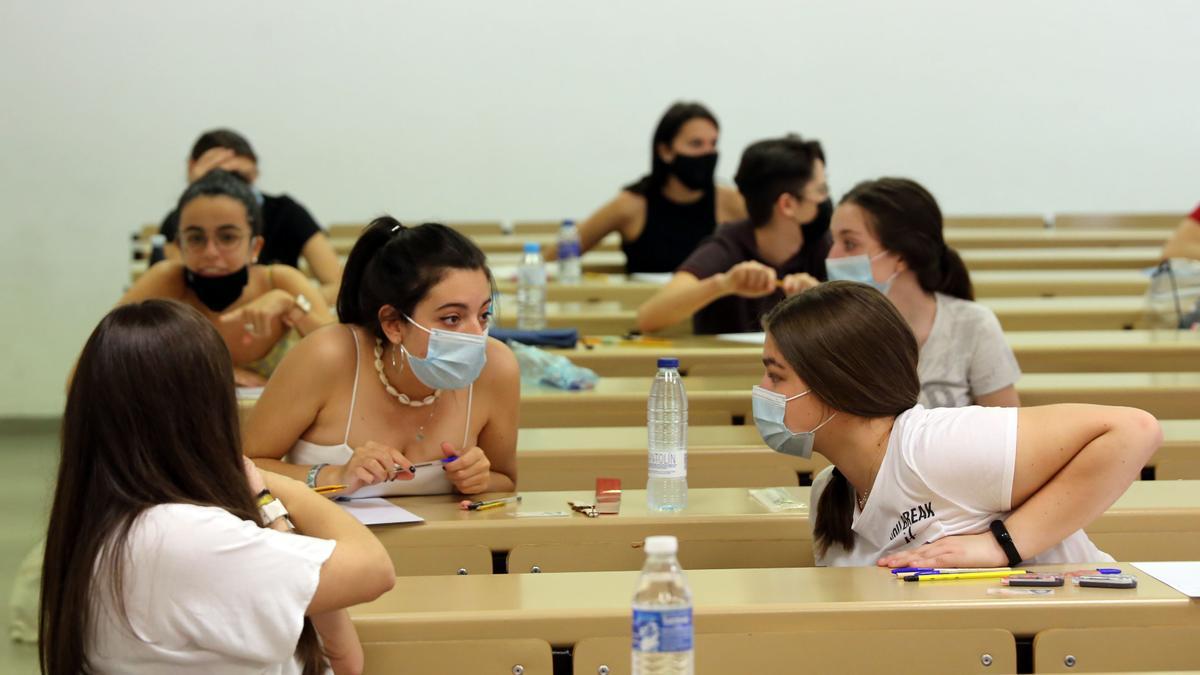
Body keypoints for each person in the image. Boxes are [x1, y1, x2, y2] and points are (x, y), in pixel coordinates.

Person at [40, 300, 395, 675]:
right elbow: (374, 569)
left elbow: (342, 659)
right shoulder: (179, 535)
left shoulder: (112, 520)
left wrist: (268, 504)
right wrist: (272, 483)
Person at [752, 282, 1160, 568]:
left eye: (775, 375)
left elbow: (1132, 431)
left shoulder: (931, 445)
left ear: (836, 382)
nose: (761, 390)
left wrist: (1001, 546)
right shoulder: (829, 494)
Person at [244, 217, 519, 497]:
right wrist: (333, 476)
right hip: (326, 539)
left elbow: (506, 481)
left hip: (445, 541)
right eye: (452, 318)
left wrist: (481, 480)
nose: (476, 334)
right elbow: (242, 469)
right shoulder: (327, 356)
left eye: (483, 314)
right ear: (393, 324)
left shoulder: (497, 367)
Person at [120, 170, 334, 386]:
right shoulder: (166, 281)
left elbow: (348, 361)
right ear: (179, 246)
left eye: (227, 237)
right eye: (196, 238)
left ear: (255, 247)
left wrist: (292, 309)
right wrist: (221, 372)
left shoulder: (279, 281)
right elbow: (102, 357)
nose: (211, 251)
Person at [826, 177, 1021, 407]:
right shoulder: (833, 330)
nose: (831, 257)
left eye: (849, 243)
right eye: (833, 241)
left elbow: (1007, 430)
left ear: (901, 256)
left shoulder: (973, 324)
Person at [636, 134, 831, 334]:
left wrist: (822, 302)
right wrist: (724, 284)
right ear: (788, 204)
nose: (826, 199)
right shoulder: (728, 246)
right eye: (821, 190)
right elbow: (648, 318)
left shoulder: (827, 246)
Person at [547, 102, 747, 274]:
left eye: (713, 144)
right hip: (642, 313)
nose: (708, 152)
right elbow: (553, 257)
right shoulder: (630, 204)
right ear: (665, 151)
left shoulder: (731, 201)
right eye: (696, 144)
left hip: (712, 316)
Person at [159, 128, 343, 303]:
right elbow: (177, 296)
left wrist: (286, 304)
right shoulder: (177, 222)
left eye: (240, 177)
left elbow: (337, 285)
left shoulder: (286, 212)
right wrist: (198, 194)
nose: (229, 186)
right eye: (196, 238)